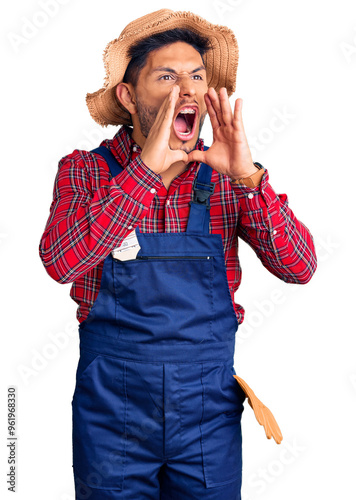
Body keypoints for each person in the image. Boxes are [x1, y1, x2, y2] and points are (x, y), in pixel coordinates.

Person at [39, 9, 317, 500]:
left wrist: (250, 178)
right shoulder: (85, 172)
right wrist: (145, 172)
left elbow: (300, 267)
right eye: (166, 77)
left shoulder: (230, 177)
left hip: (207, 414)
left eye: (196, 77)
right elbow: (60, 261)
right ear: (128, 96)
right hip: (113, 411)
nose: (186, 90)